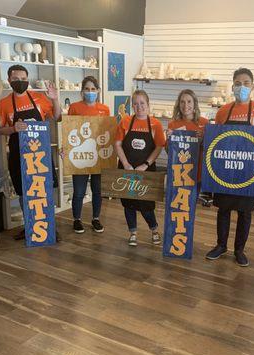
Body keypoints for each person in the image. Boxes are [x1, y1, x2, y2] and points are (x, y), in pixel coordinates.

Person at [205, 67, 254, 267]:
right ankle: (221, 246)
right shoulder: (223, 111)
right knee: (223, 210)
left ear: (252, 86)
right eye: (237, 83)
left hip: (249, 172)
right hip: (225, 170)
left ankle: (239, 250)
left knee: (245, 213)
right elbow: (216, 140)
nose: (241, 87)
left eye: (245, 83)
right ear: (232, 85)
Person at [0, 65, 61, 241]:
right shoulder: (3, 103)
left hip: (41, 154)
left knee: (45, 191)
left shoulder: (39, 98)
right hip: (18, 155)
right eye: (16, 79)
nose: (20, 82)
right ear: (9, 80)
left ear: (28, 79)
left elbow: (57, 117)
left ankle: (49, 227)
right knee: (25, 192)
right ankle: (30, 227)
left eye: (24, 79)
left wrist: (55, 99)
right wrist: (13, 129)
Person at [115, 90, 166, 246]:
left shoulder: (155, 124)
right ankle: (133, 233)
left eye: (142, 103)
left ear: (148, 105)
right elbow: (117, 144)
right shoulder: (125, 122)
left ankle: (154, 229)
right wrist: (126, 165)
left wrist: (146, 164)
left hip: (147, 170)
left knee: (146, 204)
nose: (139, 107)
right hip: (127, 168)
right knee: (128, 203)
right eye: (135, 104)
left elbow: (158, 147)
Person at [68, 76, 110, 234]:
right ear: (82, 91)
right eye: (87, 89)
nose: (90, 92)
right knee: (79, 191)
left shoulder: (104, 109)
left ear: (98, 91)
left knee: (97, 190)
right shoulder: (74, 108)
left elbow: (107, 132)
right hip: (80, 154)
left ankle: (95, 218)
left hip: (99, 155)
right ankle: (77, 219)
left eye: (93, 89)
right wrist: (65, 148)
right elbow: (69, 131)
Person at [167, 89, 209, 186]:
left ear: (195, 104)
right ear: (178, 104)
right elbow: (169, 151)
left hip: (198, 170)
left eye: (189, 101)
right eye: (182, 102)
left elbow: (210, 149)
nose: (185, 105)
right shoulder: (172, 124)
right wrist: (169, 140)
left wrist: (203, 139)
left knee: (193, 198)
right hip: (179, 171)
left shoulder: (204, 123)